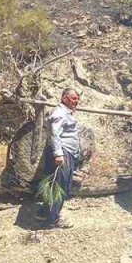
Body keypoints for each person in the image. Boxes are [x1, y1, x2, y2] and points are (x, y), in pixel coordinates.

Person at [44, 88, 83, 229]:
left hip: (68, 153)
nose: (76, 102)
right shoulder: (60, 113)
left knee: (59, 185)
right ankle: (53, 219)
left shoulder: (66, 113)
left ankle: (47, 213)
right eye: (73, 99)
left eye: (77, 99)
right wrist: (59, 154)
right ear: (64, 98)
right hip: (63, 153)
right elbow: (54, 133)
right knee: (60, 186)